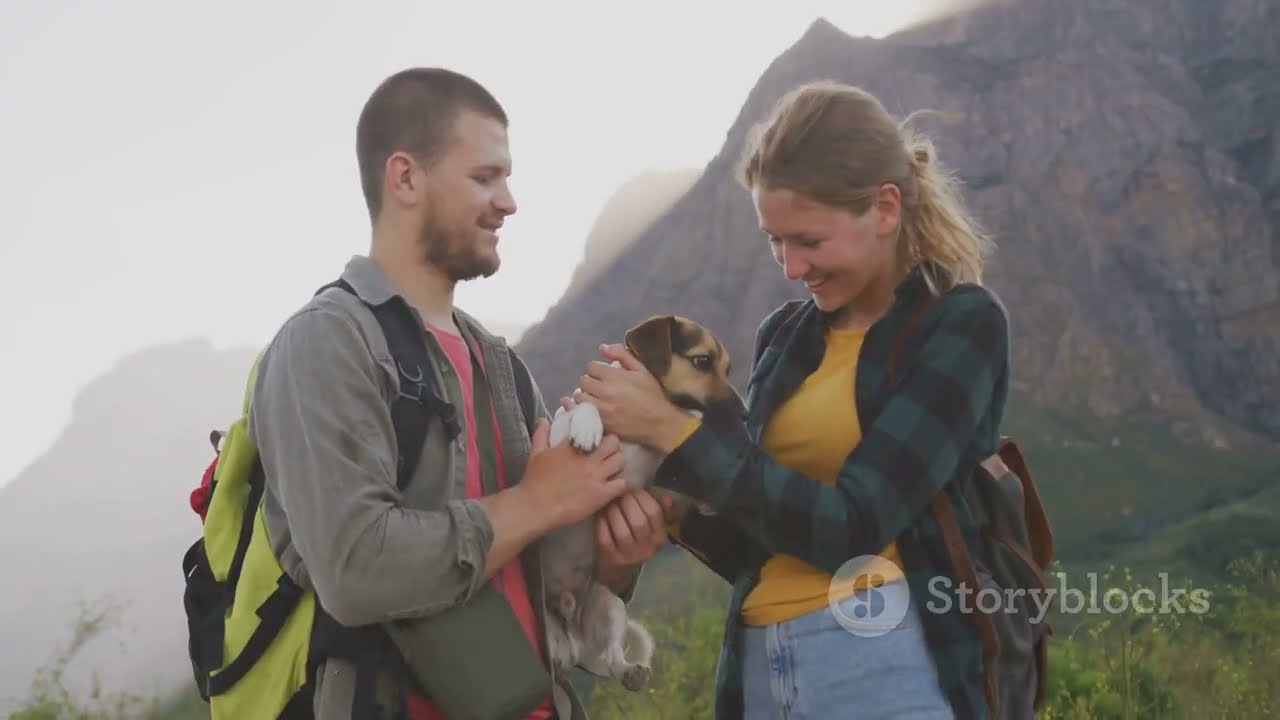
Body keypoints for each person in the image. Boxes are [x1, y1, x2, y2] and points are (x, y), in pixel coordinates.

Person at [572, 79, 1010, 719]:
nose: (790, 265)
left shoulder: (959, 324)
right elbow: (767, 541)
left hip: (880, 662)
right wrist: (667, 514)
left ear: (884, 209)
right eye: (775, 240)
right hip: (756, 670)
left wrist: (677, 433)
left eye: (808, 240)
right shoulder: (785, 336)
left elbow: (855, 527)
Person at [249, 67, 670, 720]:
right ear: (406, 178)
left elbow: (537, 569)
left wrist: (615, 563)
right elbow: (354, 571)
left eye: (506, 177)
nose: (508, 201)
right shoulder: (326, 344)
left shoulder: (500, 365)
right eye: (484, 177)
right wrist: (535, 502)